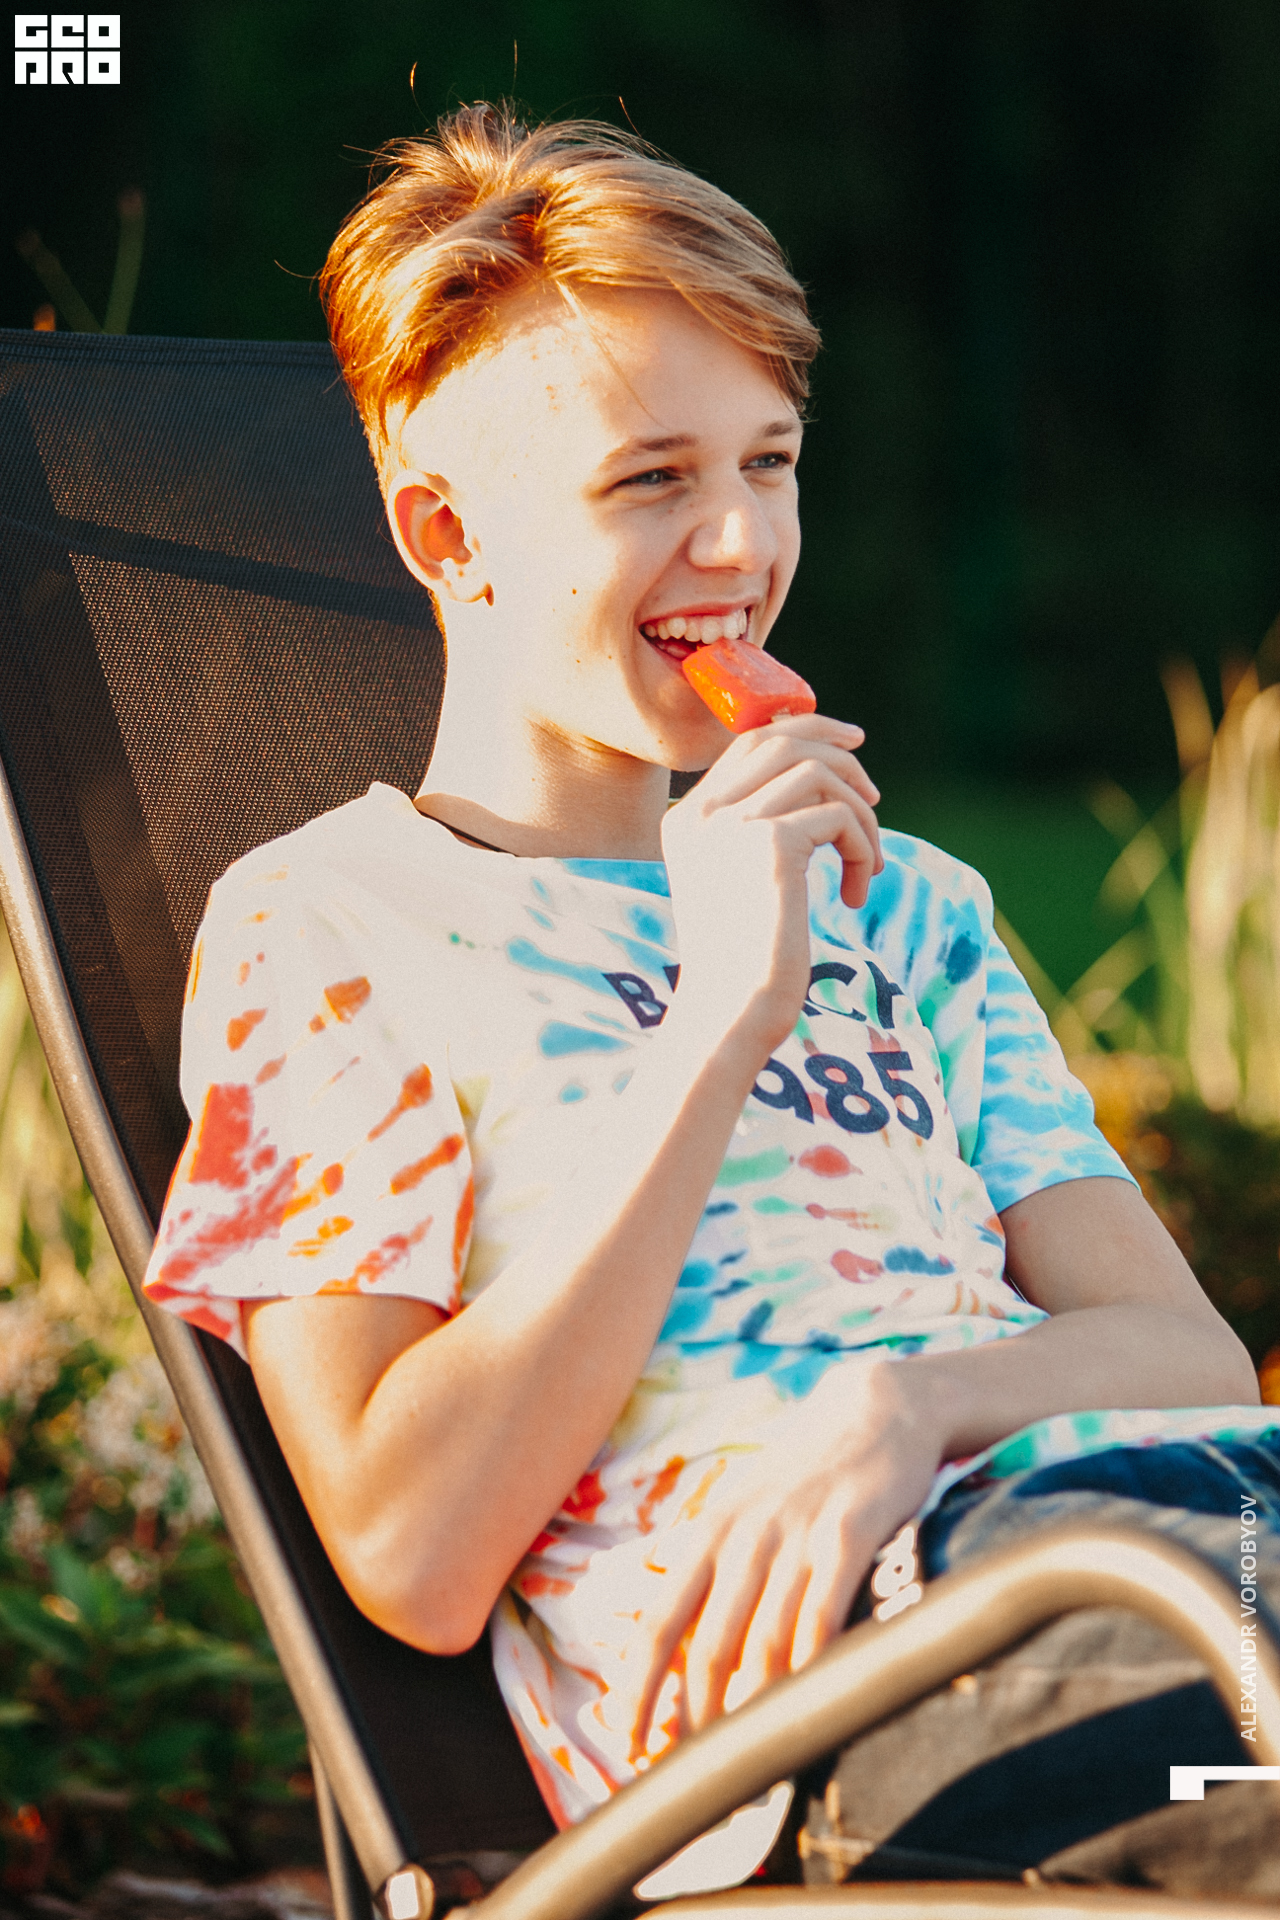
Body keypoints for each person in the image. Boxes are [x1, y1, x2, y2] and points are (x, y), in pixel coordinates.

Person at [142, 105, 1280, 1896]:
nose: (740, 540)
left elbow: (1187, 1355)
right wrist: (720, 1016)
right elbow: (415, 1549)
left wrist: (902, 1409)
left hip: (1162, 1536)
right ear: (446, 532)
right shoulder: (337, 927)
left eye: (770, 460)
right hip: (843, 1693)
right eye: (650, 481)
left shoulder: (905, 903)